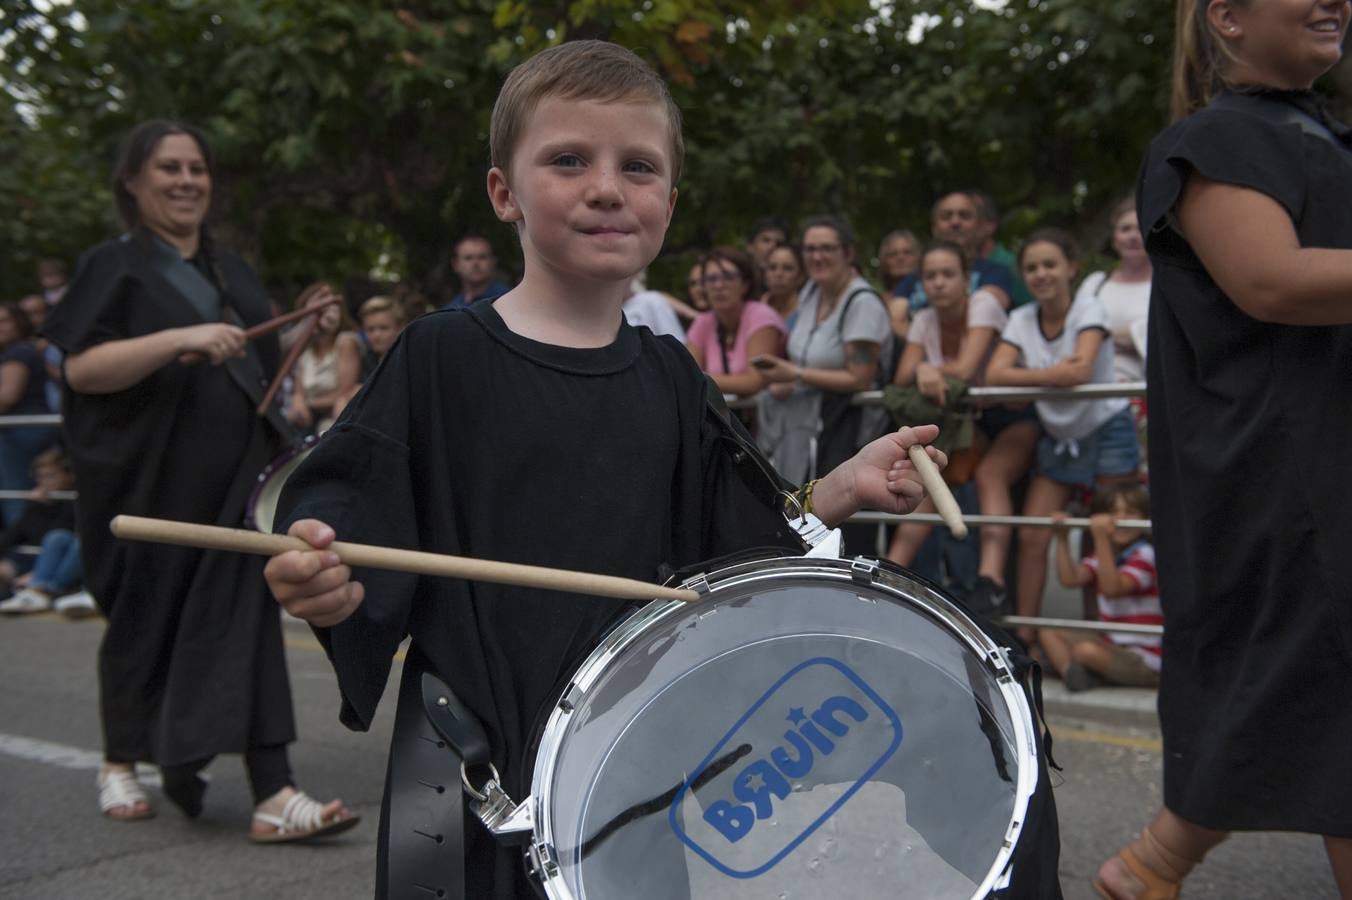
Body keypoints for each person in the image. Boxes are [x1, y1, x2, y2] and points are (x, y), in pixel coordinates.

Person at [262, 42, 949, 900]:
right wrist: (332, 572)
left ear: (669, 200)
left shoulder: (669, 374)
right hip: (484, 750)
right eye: (567, 160)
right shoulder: (443, 354)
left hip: (629, 757)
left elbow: (731, 547)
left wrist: (841, 487)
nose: (606, 187)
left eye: (638, 166)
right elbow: (357, 506)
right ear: (503, 193)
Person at [1095, 2, 1352, 897]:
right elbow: (1271, 281)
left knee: (1304, 696)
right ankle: (1151, 864)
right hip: (1291, 477)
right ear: (1229, 18)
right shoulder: (1211, 141)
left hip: (1326, 464)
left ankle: (1152, 865)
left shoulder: (1316, 133)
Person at [41, 119, 357, 839]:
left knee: (243, 622)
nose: (187, 181)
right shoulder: (110, 265)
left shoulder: (231, 270)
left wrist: (317, 320)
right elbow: (82, 369)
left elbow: (262, 360)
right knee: (143, 621)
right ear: (133, 181)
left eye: (197, 168)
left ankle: (273, 788)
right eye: (169, 168)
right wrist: (178, 338)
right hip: (147, 483)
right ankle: (124, 758)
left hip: (234, 483)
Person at [985, 229, 1140, 645]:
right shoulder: (1021, 318)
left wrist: (1031, 380)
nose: (1041, 274)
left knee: (1103, 532)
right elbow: (995, 375)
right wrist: (1056, 375)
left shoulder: (1089, 308)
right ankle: (1027, 639)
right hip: (1059, 434)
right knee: (1034, 532)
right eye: (1032, 267)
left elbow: (1081, 372)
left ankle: (1105, 639)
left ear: (1071, 268)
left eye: (1050, 264)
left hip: (1108, 428)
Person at [883, 242, 1011, 585]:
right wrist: (926, 369)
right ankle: (887, 577)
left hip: (1005, 421)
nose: (938, 282)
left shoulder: (983, 304)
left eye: (948, 274)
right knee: (927, 483)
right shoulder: (924, 317)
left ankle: (991, 582)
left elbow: (967, 369)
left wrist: (928, 369)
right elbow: (901, 377)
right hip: (960, 424)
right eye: (930, 276)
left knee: (985, 485)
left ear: (966, 279)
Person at [1040, 483, 1160, 692]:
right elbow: (1070, 579)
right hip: (1113, 645)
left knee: (1085, 651)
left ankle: (1086, 671)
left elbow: (1112, 588)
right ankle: (1073, 673)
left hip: (1145, 658)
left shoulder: (1146, 555)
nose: (1120, 520)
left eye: (1130, 513)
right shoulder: (1106, 556)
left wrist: (1100, 537)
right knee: (1048, 632)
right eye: (1113, 513)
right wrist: (1062, 538)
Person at [0, 447, 95, 617]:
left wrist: (46, 506)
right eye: (40, 477)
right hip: (40, 563)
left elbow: (69, 528)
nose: (45, 482)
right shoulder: (38, 504)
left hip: (65, 561)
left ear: (69, 476)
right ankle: (41, 590)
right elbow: (15, 534)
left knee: (66, 539)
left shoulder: (75, 500)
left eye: (51, 476)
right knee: (54, 539)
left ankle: (41, 591)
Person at [685, 246, 785, 397]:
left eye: (728, 277)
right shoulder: (703, 323)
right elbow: (687, 375)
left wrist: (699, 380)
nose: (719, 286)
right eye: (711, 279)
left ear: (745, 284)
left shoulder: (761, 316)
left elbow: (756, 381)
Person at [893, 192, 1014, 313]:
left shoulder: (997, 274)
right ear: (934, 228)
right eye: (946, 216)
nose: (955, 222)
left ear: (979, 226)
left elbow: (986, 312)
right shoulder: (910, 281)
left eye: (965, 216)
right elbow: (897, 319)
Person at [1074, 197, 1152, 383]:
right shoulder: (1095, 284)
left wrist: (1101, 336)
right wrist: (1135, 335)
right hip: (1098, 392)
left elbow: (1166, 340)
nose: (1133, 237)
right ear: (1114, 238)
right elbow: (1073, 332)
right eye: (1125, 229)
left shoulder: (1167, 285)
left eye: (1140, 228)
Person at [0, 302, 59, 527]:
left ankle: (18, 557)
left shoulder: (18, 352)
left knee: (17, 496)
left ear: (19, 322)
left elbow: (7, 397)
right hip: (30, 430)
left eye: (4, 320)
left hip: (21, 432)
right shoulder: (27, 349)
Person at [286, 282, 361, 435]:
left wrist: (305, 403)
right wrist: (298, 400)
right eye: (322, 309)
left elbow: (343, 393)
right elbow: (298, 391)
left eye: (333, 308)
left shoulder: (346, 341)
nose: (329, 314)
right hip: (306, 420)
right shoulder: (304, 345)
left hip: (333, 419)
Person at [442, 235, 510, 310]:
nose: (475, 263)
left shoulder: (508, 299)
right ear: (456, 264)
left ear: (493, 262)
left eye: (482, 257)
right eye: (468, 258)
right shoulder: (451, 308)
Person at [761, 241, 806, 327]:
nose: (778, 274)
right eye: (772, 268)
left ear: (801, 276)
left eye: (787, 268)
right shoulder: (754, 311)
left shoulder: (809, 313)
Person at [877, 229, 920, 297]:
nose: (900, 257)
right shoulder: (877, 301)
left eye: (907, 252)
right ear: (884, 260)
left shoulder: (930, 298)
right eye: (893, 254)